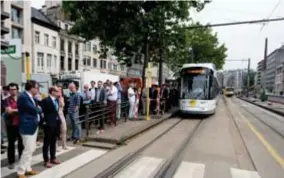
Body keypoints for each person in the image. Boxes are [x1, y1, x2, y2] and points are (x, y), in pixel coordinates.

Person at [17, 80, 41, 178]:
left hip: (33, 125)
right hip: (27, 126)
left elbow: (35, 108)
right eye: (37, 87)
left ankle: (28, 169)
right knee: (27, 149)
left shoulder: (31, 97)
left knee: (31, 149)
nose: (38, 89)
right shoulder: (23, 97)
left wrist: (37, 104)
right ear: (31, 88)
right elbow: (34, 109)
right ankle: (21, 171)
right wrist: (38, 107)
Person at [4, 83, 24, 169]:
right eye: (11, 89)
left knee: (21, 143)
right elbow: (8, 111)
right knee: (11, 144)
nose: (13, 91)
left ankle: (21, 159)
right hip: (11, 124)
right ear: (9, 90)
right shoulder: (6, 100)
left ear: (17, 89)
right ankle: (11, 162)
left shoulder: (21, 98)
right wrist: (18, 110)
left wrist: (14, 110)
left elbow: (24, 109)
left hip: (21, 123)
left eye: (14, 89)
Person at [41, 86, 61, 168]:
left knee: (54, 141)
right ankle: (46, 160)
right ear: (52, 92)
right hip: (49, 124)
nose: (58, 92)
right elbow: (42, 112)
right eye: (56, 91)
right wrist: (44, 122)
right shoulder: (46, 100)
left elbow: (56, 111)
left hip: (56, 123)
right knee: (47, 143)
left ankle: (53, 157)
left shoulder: (56, 100)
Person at [57, 86, 68, 150]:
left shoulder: (62, 97)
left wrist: (60, 97)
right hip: (55, 115)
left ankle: (64, 144)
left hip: (61, 114)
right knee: (56, 131)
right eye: (58, 90)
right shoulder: (53, 98)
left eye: (60, 90)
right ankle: (56, 146)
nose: (59, 91)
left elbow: (63, 105)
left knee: (64, 129)